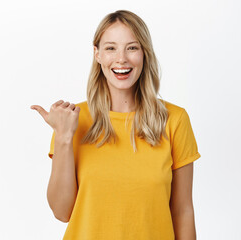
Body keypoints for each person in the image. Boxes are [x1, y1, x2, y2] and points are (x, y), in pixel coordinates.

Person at [30, 9, 200, 240]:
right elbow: (62, 212)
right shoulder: (72, 121)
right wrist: (63, 137)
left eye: (132, 47)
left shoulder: (174, 120)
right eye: (111, 48)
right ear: (97, 54)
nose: (121, 58)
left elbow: (182, 211)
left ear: (144, 54)